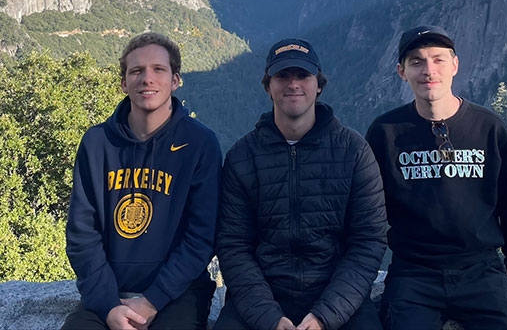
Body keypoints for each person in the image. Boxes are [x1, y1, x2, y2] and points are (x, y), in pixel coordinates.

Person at [366, 25, 507, 330]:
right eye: (417, 61)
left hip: (482, 272)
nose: (428, 71)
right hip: (413, 275)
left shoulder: (489, 129)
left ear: (455, 65)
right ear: (401, 71)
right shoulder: (386, 133)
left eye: (438, 60)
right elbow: (366, 214)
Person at [213, 38, 388, 330]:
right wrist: (269, 318)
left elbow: (368, 241)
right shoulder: (243, 157)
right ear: (268, 86)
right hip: (261, 298)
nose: (293, 84)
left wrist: (325, 316)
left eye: (302, 75)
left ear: (318, 84)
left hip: (336, 296)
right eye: (282, 75)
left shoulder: (353, 152)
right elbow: (233, 245)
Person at [62, 32, 221, 330]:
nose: (147, 78)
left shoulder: (199, 143)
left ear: (175, 80)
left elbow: (202, 236)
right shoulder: (97, 143)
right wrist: (108, 305)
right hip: (109, 292)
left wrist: (151, 301)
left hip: (178, 293)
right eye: (136, 70)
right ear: (123, 83)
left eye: (158, 69)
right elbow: (82, 233)